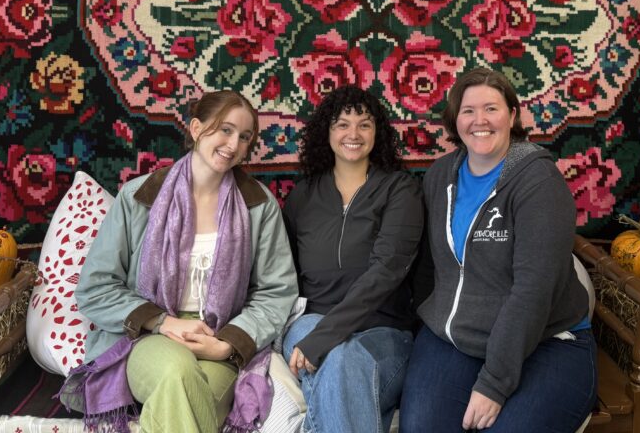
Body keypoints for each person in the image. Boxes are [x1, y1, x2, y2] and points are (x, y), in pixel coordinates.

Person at [62, 90, 298, 433]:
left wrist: (228, 345)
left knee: (184, 402)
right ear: (197, 128)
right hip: (148, 340)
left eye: (245, 137)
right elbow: (95, 287)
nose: (234, 145)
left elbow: (276, 292)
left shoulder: (259, 206)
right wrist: (163, 323)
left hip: (218, 342)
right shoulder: (139, 197)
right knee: (178, 373)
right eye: (225, 130)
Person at [399, 68, 596, 433]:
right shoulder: (440, 176)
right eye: (468, 110)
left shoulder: (538, 182)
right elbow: (430, 264)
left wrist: (494, 383)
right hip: (456, 339)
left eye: (491, 108)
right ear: (455, 120)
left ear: (512, 115)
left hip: (547, 342)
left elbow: (533, 292)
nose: (480, 121)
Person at [282, 85, 424, 433]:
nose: (353, 134)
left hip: (384, 330)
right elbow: (283, 272)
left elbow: (387, 270)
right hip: (310, 322)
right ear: (326, 133)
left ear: (378, 132)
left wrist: (325, 338)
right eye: (342, 124)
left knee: (341, 359)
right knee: (340, 359)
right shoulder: (302, 196)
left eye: (364, 124)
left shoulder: (400, 189)